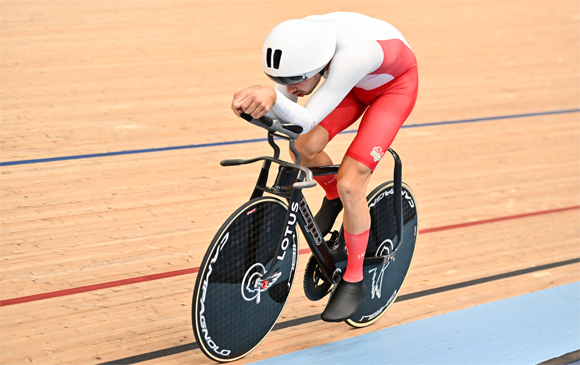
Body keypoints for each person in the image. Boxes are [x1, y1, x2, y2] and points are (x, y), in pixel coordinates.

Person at [231, 12, 418, 322]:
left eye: (295, 81)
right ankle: (332, 200)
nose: (290, 88)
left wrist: (271, 98)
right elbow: (293, 107)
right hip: (355, 84)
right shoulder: (303, 39)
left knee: (351, 183)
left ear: (318, 66)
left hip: (392, 90)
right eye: (282, 80)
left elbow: (305, 119)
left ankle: (354, 279)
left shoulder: (353, 56)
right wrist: (258, 95)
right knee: (303, 147)